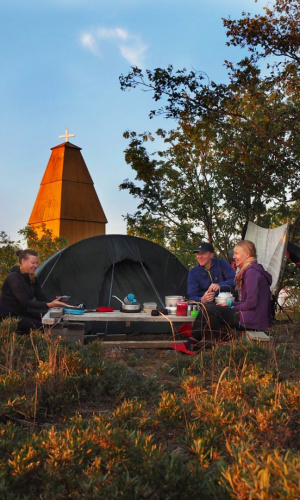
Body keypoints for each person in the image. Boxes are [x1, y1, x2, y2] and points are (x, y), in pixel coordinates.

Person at [173, 240, 272, 354]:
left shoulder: (252, 273)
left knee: (209, 309)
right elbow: (192, 296)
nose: (234, 256)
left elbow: (251, 303)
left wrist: (230, 304)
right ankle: (219, 341)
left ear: (248, 255)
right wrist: (229, 304)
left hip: (252, 318)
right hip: (250, 314)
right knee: (209, 307)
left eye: (237, 253)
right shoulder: (250, 270)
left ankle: (207, 342)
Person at [0, 249, 66, 334]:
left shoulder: (32, 278)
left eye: (36, 263)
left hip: (22, 313)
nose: (35, 266)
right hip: (9, 316)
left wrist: (55, 302)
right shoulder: (14, 278)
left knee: (51, 320)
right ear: (23, 261)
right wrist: (48, 305)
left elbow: (41, 297)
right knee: (40, 325)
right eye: (33, 263)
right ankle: (39, 345)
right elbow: (25, 302)